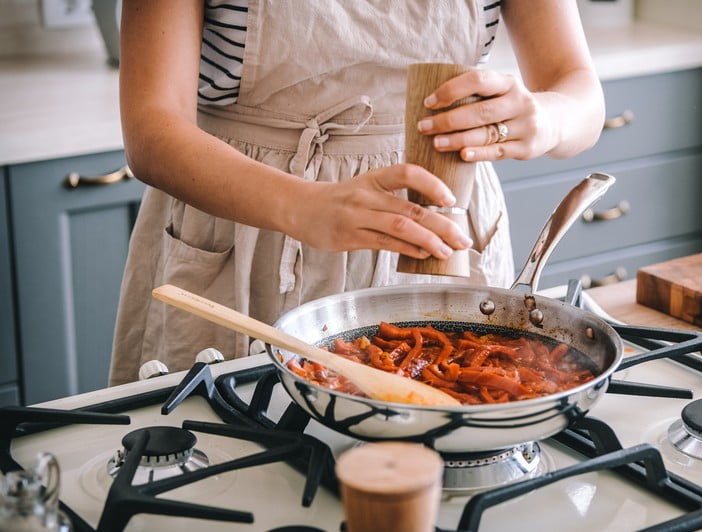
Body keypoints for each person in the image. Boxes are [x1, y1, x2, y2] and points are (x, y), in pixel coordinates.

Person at [108, 0, 605, 385]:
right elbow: (152, 132)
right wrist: (302, 204)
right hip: (245, 232)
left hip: (441, 233)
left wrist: (549, 117)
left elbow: (581, 94)